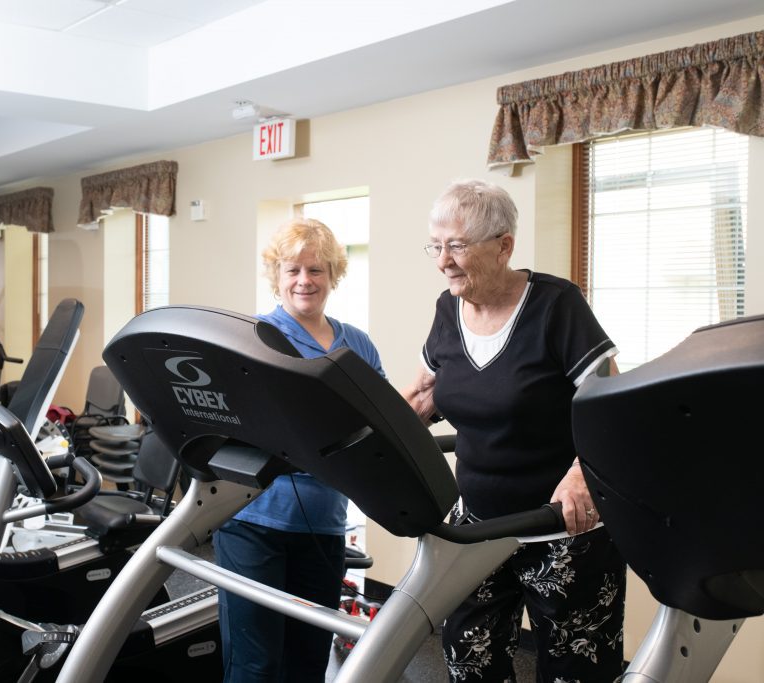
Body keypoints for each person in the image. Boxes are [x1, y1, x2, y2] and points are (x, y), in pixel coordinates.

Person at [401, 180, 626, 682]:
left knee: (576, 668)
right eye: (436, 246)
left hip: (563, 524)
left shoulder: (556, 305)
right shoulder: (447, 308)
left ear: (504, 246)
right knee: (468, 657)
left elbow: (610, 406)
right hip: (477, 522)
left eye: (457, 245)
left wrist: (582, 474)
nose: (443, 261)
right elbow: (420, 395)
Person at [213, 217, 385, 682]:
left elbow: (381, 426)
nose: (304, 281)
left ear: (333, 275)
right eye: (292, 270)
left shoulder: (358, 346)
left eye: (315, 270)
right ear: (277, 276)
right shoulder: (255, 337)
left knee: (309, 659)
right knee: (255, 662)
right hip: (253, 521)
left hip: (324, 523)